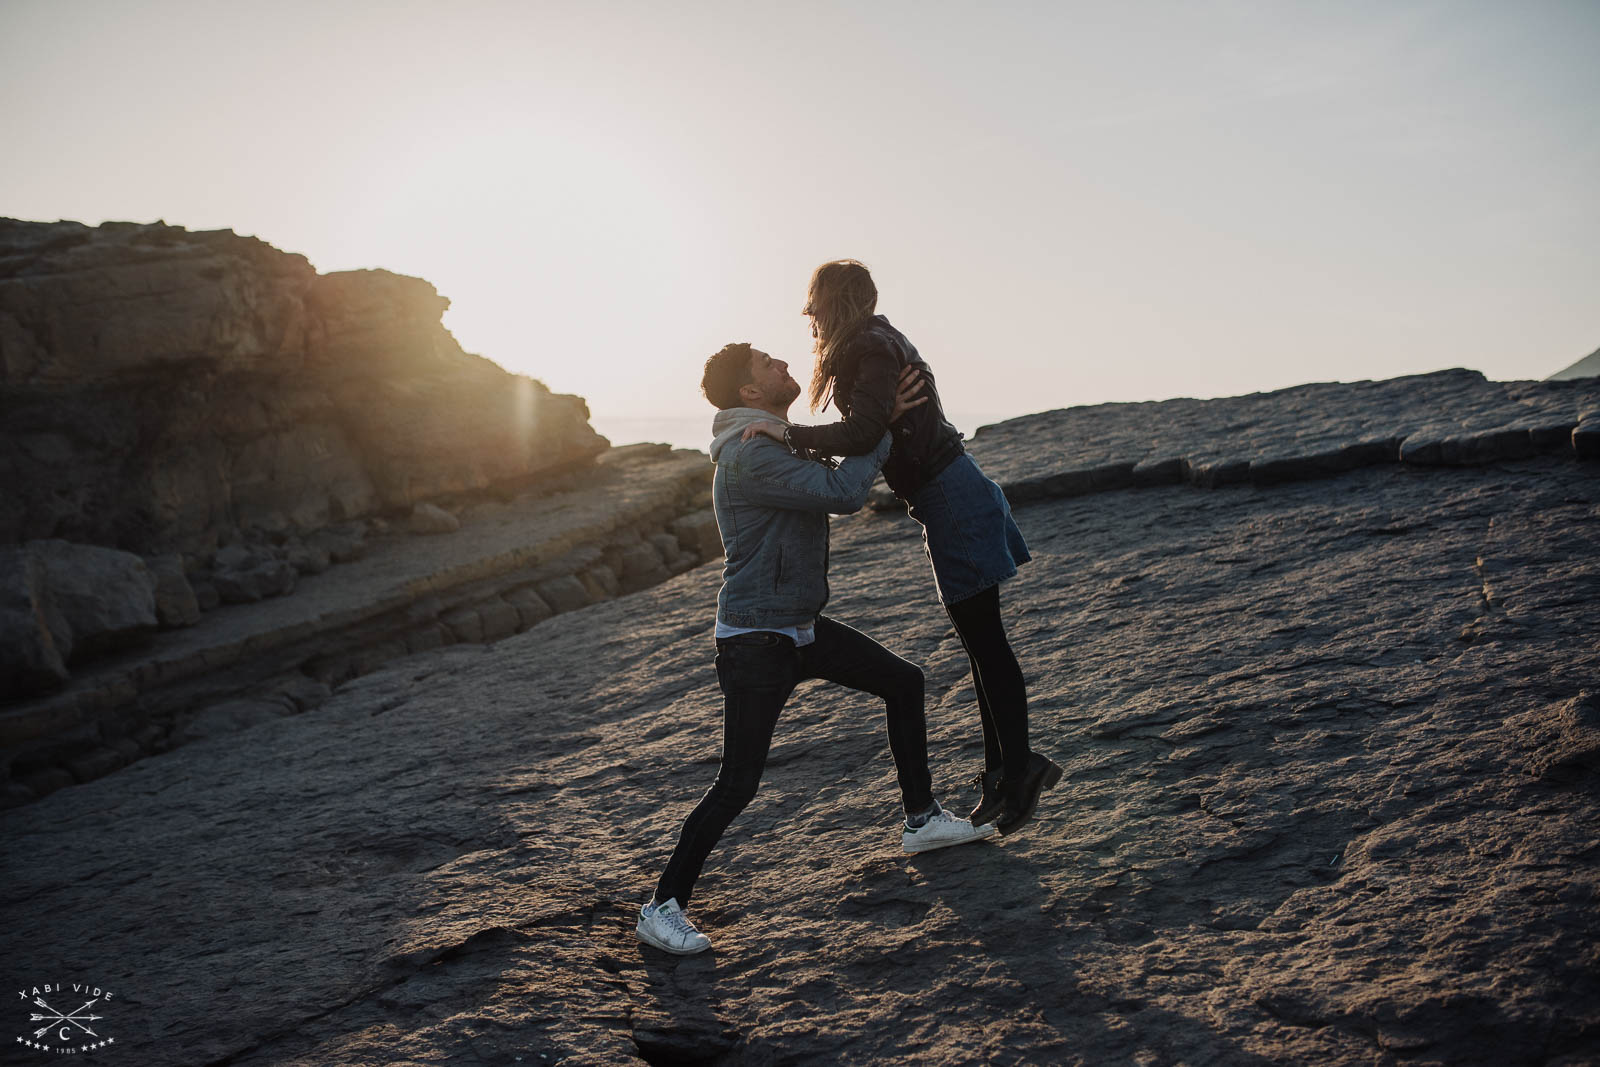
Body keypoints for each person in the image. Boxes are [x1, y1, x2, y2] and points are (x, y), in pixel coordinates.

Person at [636, 341, 992, 956]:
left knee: (904, 683)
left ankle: (922, 820)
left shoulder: (771, 437)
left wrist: (874, 419)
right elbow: (843, 492)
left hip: (800, 626)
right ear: (749, 392)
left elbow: (833, 455)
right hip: (757, 640)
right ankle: (661, 908)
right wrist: (883, 423)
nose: (782, 366)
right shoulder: (750, 456)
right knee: (739, 782)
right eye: (768, 365)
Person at [742, 259, 1061, 838]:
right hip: (947, 497)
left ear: (832, 302)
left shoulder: (868, 346)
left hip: (953, 498)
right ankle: (1001, 775)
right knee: (980, 646)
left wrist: (787, 434)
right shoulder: (872, 343)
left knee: (987, 646)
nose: (807, 315)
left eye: (812, 302)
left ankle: (1021, 772)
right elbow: (873, 430)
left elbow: (864, 434)